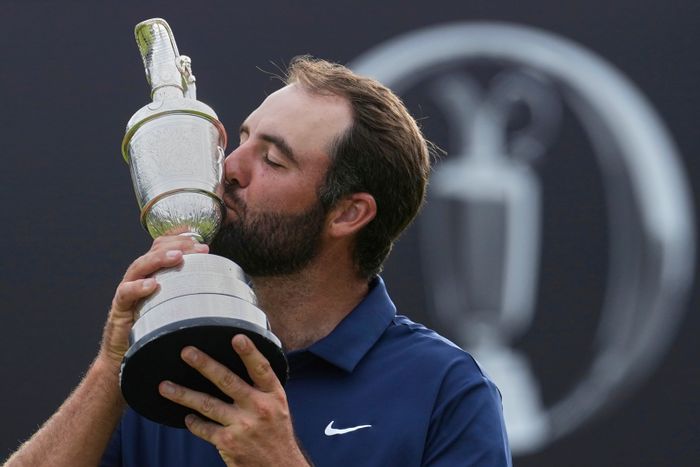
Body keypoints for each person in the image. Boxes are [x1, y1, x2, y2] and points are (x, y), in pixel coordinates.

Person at [5, 56, 511, 466]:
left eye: (272, 159)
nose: (229, 169)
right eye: (242, 139)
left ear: (348, 213)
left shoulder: (447, 391)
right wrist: (111, 366)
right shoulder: (161, 356)